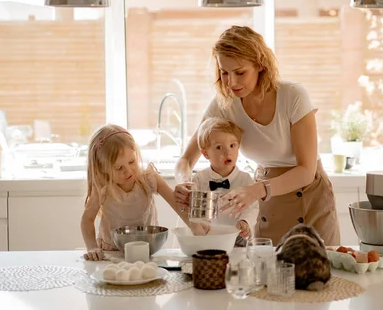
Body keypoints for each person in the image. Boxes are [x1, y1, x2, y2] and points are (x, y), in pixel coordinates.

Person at [174, 25, 340, 246]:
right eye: (224, 73)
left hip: (308, 196)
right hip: (266, 198)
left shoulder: (293, 96)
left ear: (260, 66)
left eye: (240, 72)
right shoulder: (224, 104)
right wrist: (186, 184)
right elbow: (186, 160)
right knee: (268, 274)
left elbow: (306, 171)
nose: (231, 82)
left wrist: (256, 190)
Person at [81, 124, 204, 261]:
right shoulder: (103, 189)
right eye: (119, 167)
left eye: (132, 161)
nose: (128, 171)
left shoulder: (150, 179)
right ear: (103, 168)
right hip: (112, 252)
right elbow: (87, 219)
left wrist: (196, 228)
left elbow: (177, 204)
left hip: (147, 250)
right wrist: (91, 246)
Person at [190, 117, 258, 245]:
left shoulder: (245, 179)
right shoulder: (199, 179)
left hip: (237, 240)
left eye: (232, 145)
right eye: (219, 147)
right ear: (205, 154)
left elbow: (253, 207)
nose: (228, 152)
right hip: (208, 240)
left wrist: (245, 222)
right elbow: (194, 211)